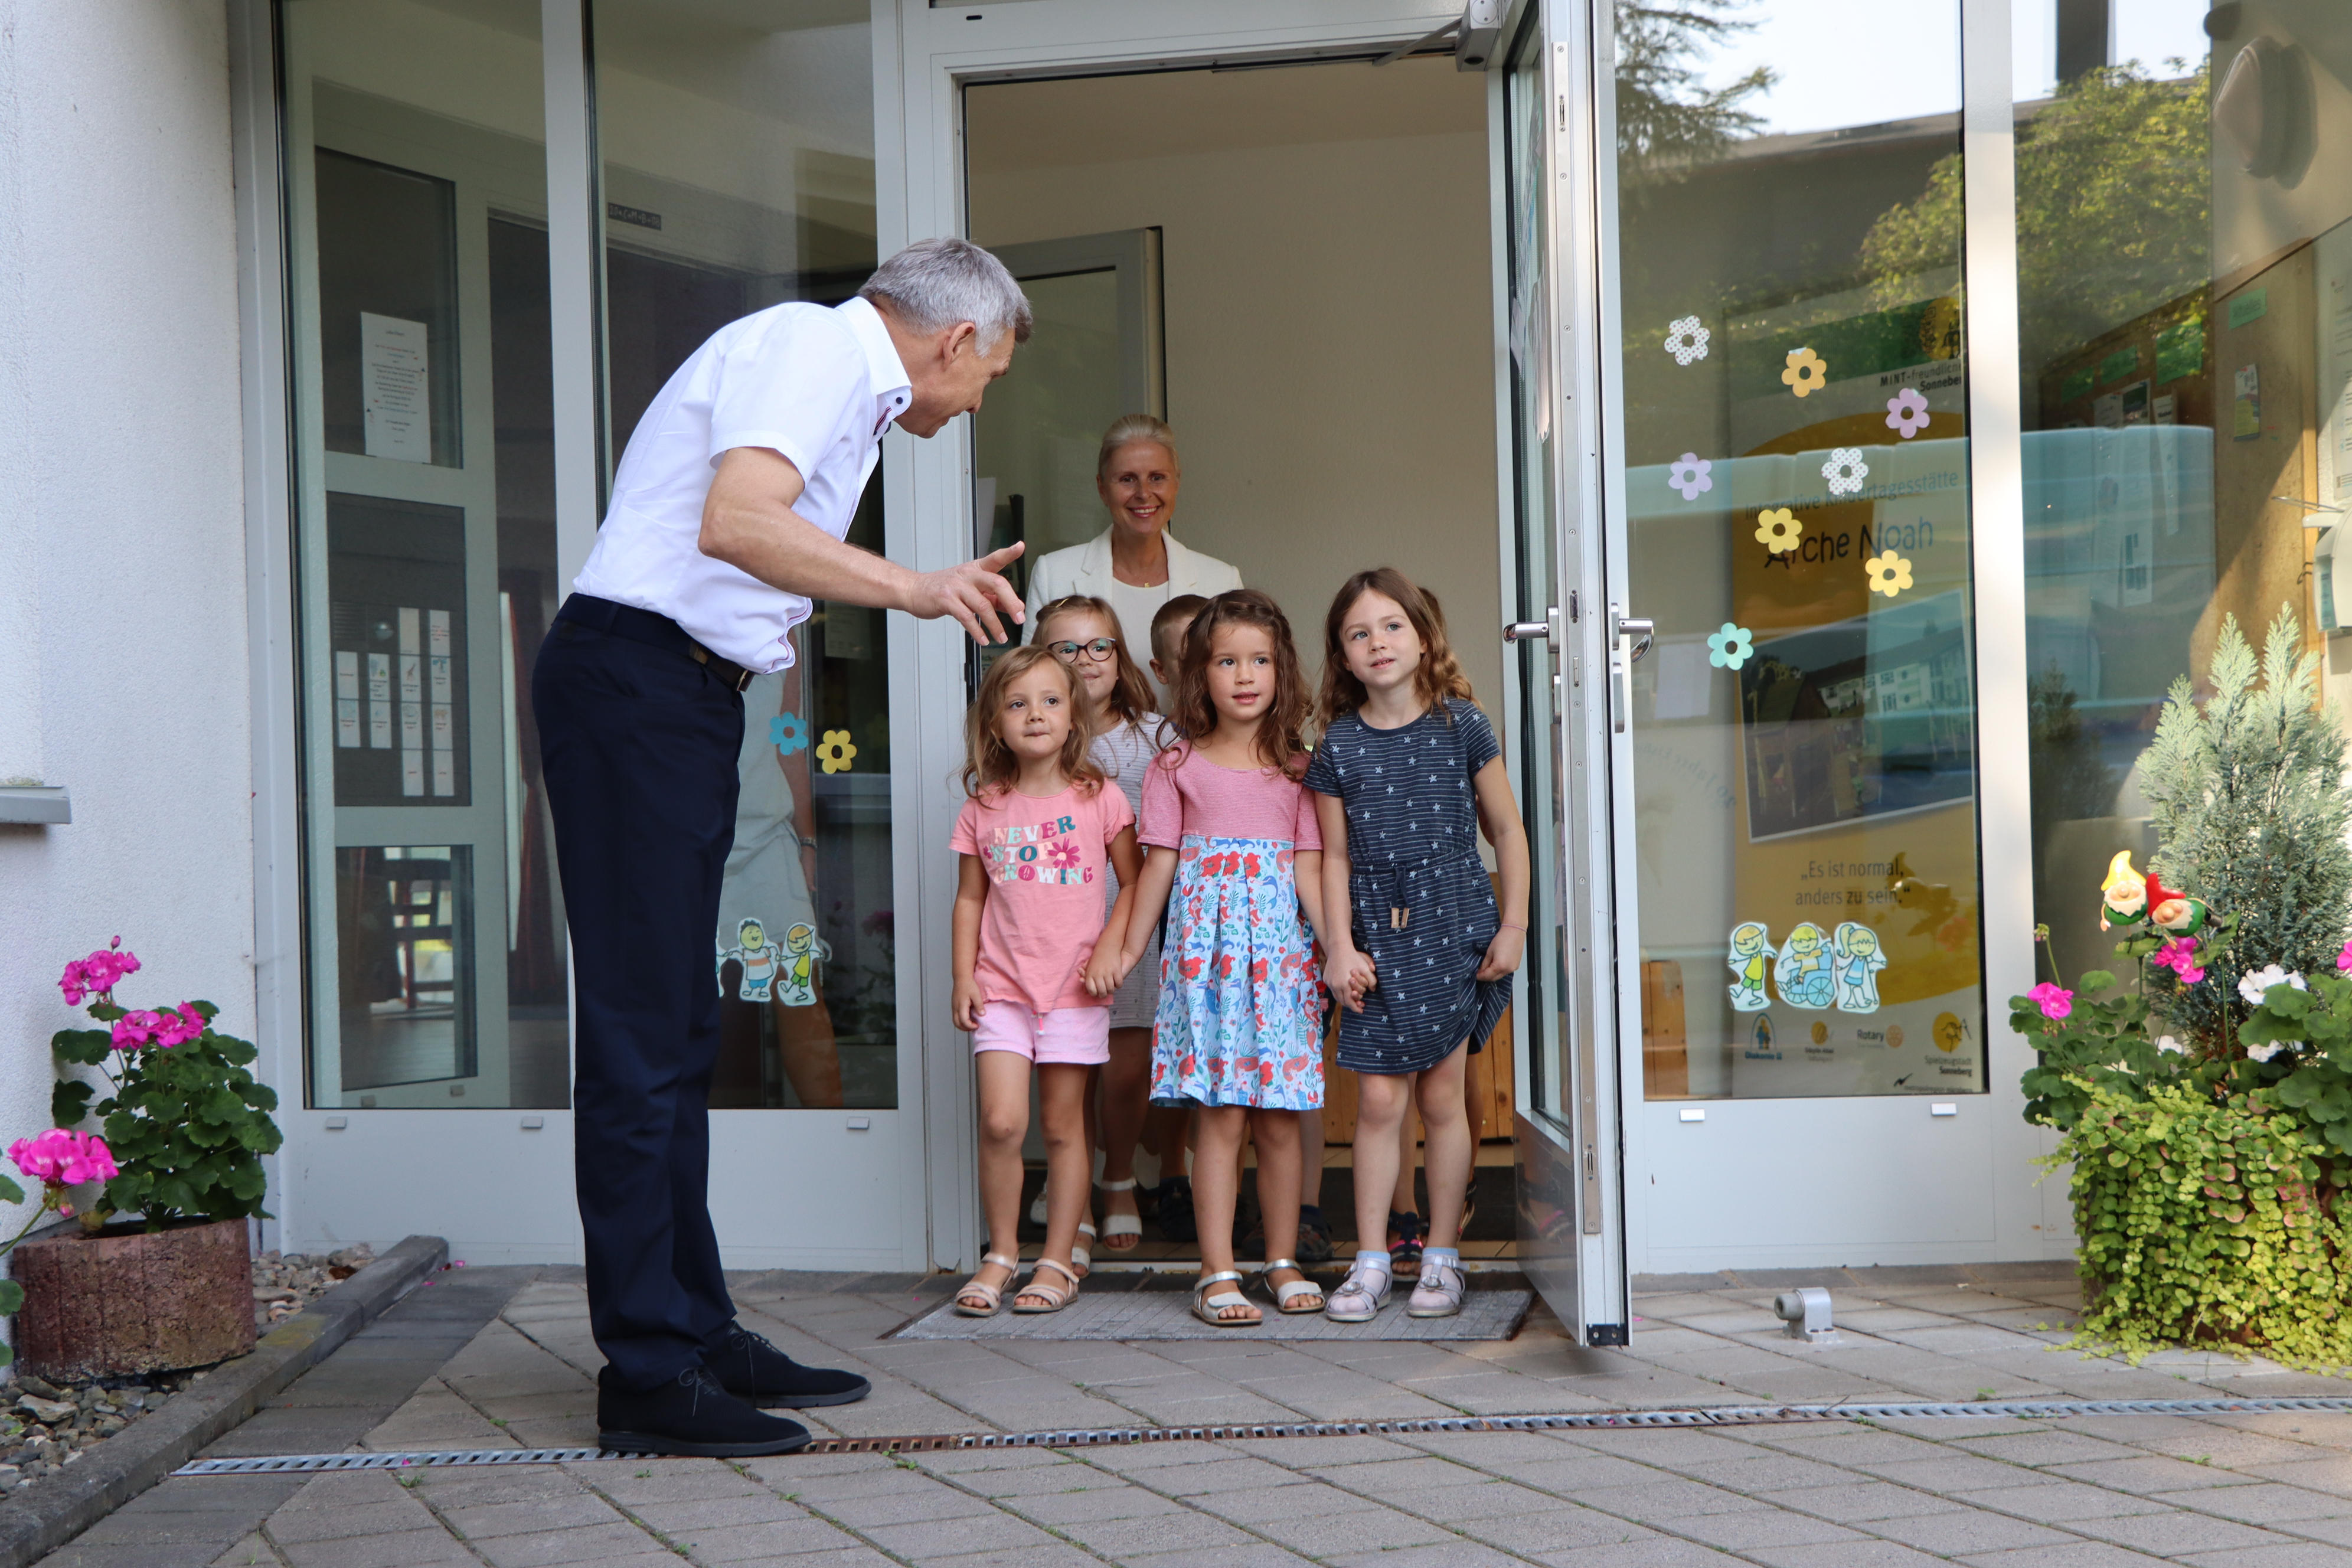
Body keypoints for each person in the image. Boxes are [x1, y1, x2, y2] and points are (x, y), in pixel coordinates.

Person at [535, 236, 1032, 1458]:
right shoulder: (815, 346)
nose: (978, 401)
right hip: (635, 680)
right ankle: (647, 1372)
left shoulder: (844, 383)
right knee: (643, 1036)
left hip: (687, 694)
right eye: (991, 376)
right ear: (954, 340)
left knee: (683, 1029)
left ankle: (694, 1327)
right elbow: (737, 521)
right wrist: (911, 587)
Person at [1308, 568, 1529, 1323]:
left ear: (1424, 635)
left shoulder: (1461, 724)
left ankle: (1442, 1256)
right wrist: (1338, 947)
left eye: (1392, 625)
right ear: (1340, 655)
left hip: (1452, 925)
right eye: (1359, 632)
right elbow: (1332, 857)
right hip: (1374, 937)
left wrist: (1514, 923)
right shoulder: (1336, 745)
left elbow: (1507, 830)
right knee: (1376, 1098)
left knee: (1441, 1096)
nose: (1378, 642)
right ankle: (1372, 1258)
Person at [1109, 590, 1331, 1325]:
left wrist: (1340, 950)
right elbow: (1157, 871)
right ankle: (1215, 1270)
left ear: (1282, 670)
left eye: (1259, 660)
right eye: (1226, 660)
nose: (1244, 675)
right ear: (1196, 674)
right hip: (1205, 974)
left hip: (1280, 970)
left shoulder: (1300, 771)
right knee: (1222, 1115)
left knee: (1279, 1118)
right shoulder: (1178, 767)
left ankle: (1280, 1258)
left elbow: (1308, 871)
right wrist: (1129, 948)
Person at [948, 646, 1139, 1317]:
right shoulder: (984, 807)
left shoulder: (1101, 799)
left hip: (1074, 991)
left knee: (1063, 1128)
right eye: (1018, 703)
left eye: (1051, 701)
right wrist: (962, 976)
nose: (1036, 715)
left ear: (1074, 716)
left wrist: (1113, 947)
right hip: (1001, 987)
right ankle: (1002, 1254)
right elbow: (970, 900)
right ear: (996, 723)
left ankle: (1057, 1261)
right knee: (1002, 1122)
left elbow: (1135, 883)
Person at [1032, 595, 1167, 1256]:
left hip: (1131, 916)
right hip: (1052, 922)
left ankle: (1119, 1176)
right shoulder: (1032, 733)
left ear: (1119, 656)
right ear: (1040, 657)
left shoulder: (1156, 738)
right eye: (1066, 648)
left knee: (1126, 1065)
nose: (1084, 661)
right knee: (1067, 1064)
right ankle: (1074, 1189)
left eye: (1099, 646)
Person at [1023, 416, 1242, 707]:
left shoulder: (1221, 581)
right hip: (1085, 750)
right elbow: (1031, 684)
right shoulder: (1055, 573)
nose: (1143, 493)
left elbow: (1236, 684)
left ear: (1176, 483)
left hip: (1194, 750)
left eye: (1157, 478)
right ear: (1102, 488)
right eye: (1127, 479)